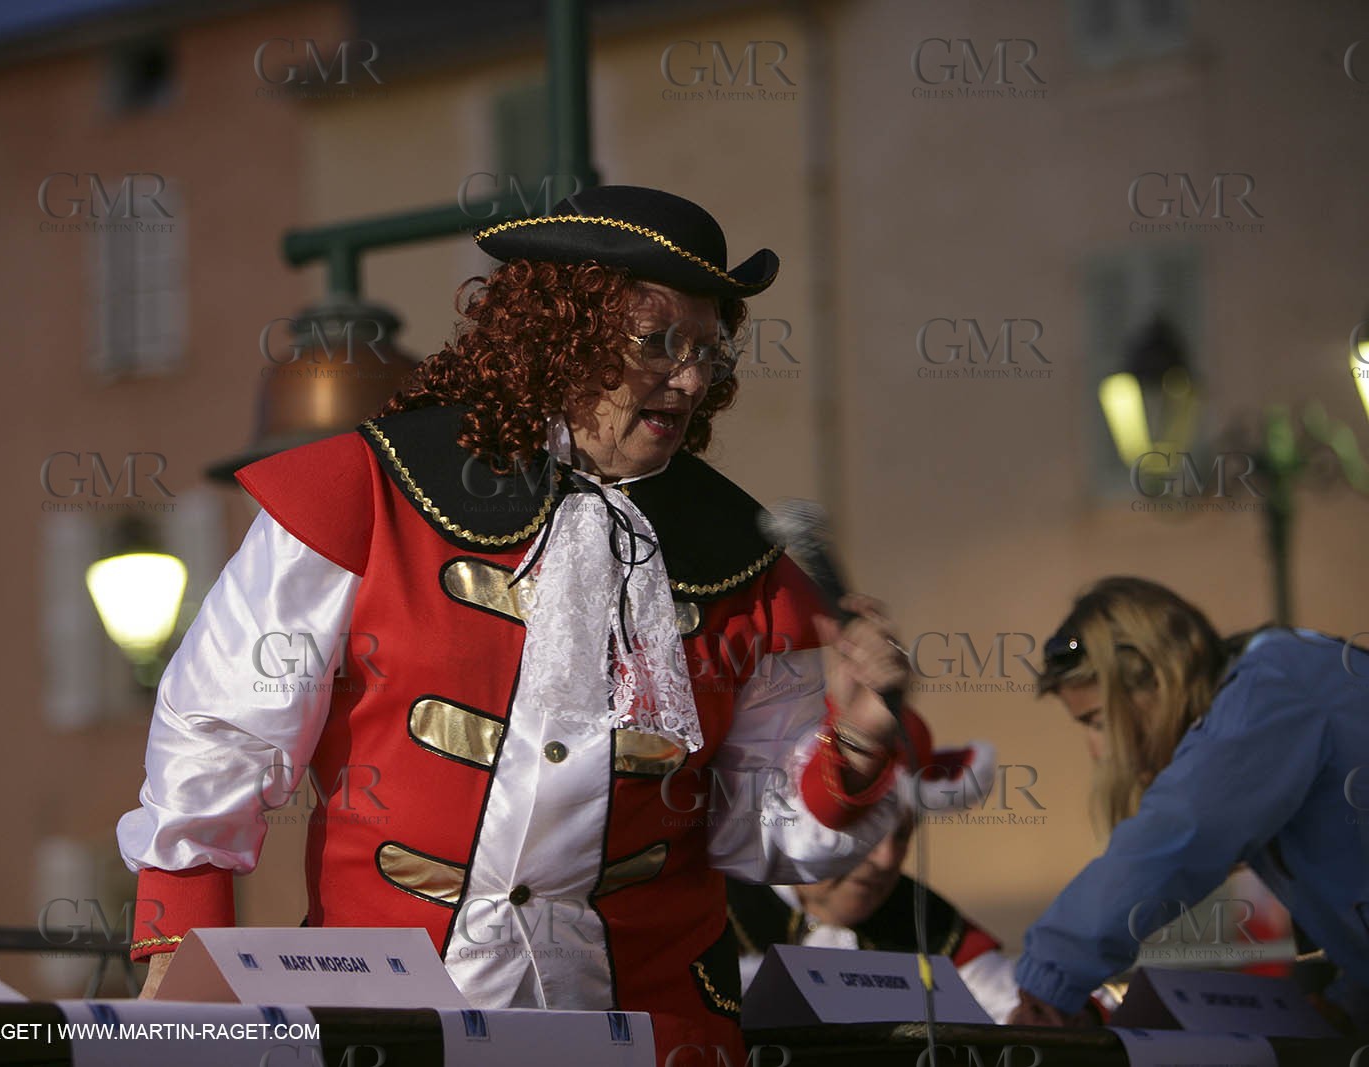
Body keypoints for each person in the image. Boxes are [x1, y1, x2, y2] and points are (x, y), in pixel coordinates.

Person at [116, 185, 913, 1063]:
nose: (688, 378)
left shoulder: (741, 560)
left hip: (654, 1034)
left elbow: (754, 827)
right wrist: (174, 948)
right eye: (657, 342)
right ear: (562, 333)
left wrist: (859, 750)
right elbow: (221, 732)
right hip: (387, 1019)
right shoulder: (372, 492)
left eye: (706, 350)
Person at [1009, 577, 1369, 1034]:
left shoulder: (1271, 688)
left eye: (1099, 722)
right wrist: (1349, 1005)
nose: (1098, 752)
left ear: (1157, 677)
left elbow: (1178, 834)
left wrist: (1049, 978)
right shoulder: (1290, 679)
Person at [728, 715, 1024, 1022]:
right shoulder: (715, 903)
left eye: (901, 836)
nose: (886, 859)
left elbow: (1015, 1016)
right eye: (862, 836)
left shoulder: (930, 924)